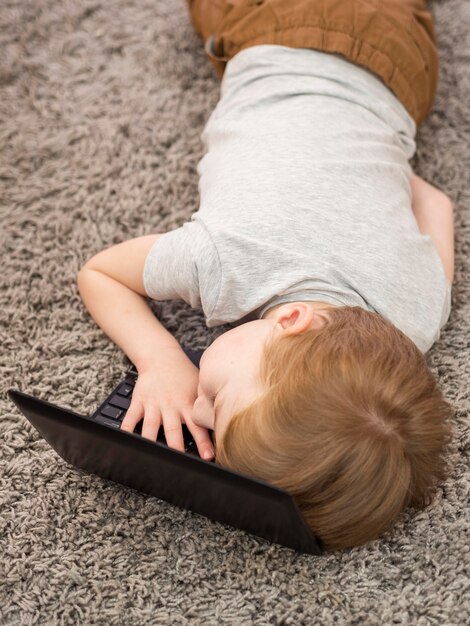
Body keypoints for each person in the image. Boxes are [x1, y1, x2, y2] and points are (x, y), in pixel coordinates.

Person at [77, 0, 455, 550]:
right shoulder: (225, 260)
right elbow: (100, 272)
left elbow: (435, 201)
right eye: (221, 400)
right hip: (275, 22)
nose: (199, 408)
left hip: (401, 62)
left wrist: (372, 171)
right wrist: (160, 359)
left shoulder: (417, 316)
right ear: (293, 321)